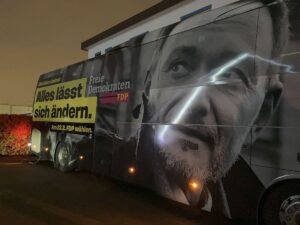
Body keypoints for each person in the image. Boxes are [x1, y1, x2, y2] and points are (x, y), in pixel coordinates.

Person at [128, 0, 289, 223]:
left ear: (261, 115)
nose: (196, 102)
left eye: (231, 75)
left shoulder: (248, 202)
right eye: (179, 66)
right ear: (147, 87)